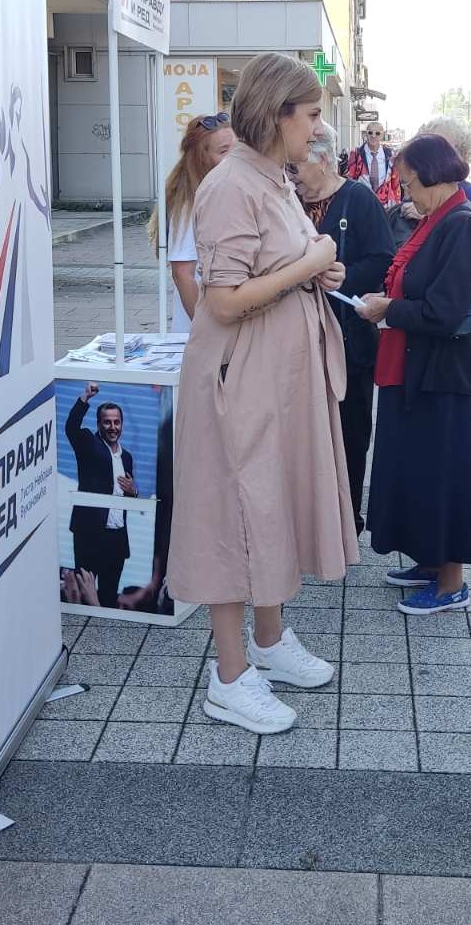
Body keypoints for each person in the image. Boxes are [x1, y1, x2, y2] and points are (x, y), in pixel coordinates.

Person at [168, 52, 357, 736]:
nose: (317, 128)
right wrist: (309, 262)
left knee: (267, 504)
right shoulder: (231, 185)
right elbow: (221, 301)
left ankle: (269, 644)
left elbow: (270, 270)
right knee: (230, 515)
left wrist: (315, 274)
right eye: (310, 115)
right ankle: (229, 675)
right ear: (279, 112)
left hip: (271, 380)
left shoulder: (270, 178)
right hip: (239, 380)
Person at [356, 135, 471, 613]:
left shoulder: (460, 223)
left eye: (408, 181)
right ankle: (429, 561)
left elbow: (443, 311)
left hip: (440, 375)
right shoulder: (436, 219)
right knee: (415, 469)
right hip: (413, 367)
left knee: (444, 473)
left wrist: (388, 308)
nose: (404, 191)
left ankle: (451, 580)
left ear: (434, 174)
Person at [294, 121, 394, 533]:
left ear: (320, 158)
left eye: (296, 166)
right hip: (298, 339)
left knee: (351, 430)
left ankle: (346, 516)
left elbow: (383, 258)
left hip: (350, 339)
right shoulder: (290, 203)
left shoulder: (358, 198)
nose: (291, 175)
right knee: (304, 432)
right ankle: (307, 516)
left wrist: (344, 275)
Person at [418, 114, 471, 425]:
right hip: (434, 312)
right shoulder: (423, 190)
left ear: (460, 154)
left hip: (460, 312)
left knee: (462, 416)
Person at [153, 112, 235, 334]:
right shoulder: (190, 205)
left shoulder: (224, 194)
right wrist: (208, 331)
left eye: (237, 148)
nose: (234, 157)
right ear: (202, 158)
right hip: (202, 337)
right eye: (224, 151)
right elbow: (182, 275)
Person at [64, 383, 138, 609]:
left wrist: (133, 491)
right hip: (89, 534)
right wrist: (85, 397)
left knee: (108, 596)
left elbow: (127, 496)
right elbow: (71, 428)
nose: (112, 427)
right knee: (84, 593)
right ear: (99, 424)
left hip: (116, 539)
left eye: (116, 422)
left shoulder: (127, 457)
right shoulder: (88, 442)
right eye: (107, 422)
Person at [346, 123, 401, 206]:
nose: (373, 136)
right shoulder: (356, 154)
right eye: (370, 132)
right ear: (365, 134)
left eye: (377, 133)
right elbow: (349, 180)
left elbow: (395, 182)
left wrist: (397, 204)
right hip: (362, 202)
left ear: (382, 136)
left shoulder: (390, 155)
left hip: (385, 205)